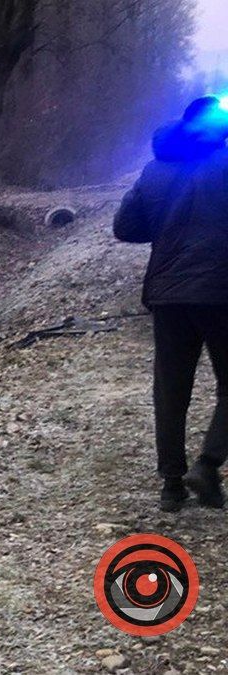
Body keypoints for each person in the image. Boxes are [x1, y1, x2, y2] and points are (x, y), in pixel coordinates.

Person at [114, 96, 228, 511]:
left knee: (171, 388)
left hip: (168, 294)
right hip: (221, 293)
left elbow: (125, 228)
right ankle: (209, 464)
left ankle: (172, 485)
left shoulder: (155, 168)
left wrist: (168, 227)